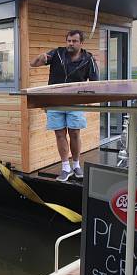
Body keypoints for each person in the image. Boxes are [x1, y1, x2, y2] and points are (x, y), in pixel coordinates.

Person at [30, 29, 99, 182]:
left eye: (74, 41)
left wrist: (88, 99)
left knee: (74, 133)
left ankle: (76, 165)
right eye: (68, 40)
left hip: (75, 101)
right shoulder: (57, 53)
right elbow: (33, 64)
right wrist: (39, 58)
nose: (70, 44)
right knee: (60, 134)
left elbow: (95, 82)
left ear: (81, 43)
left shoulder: (88, 59)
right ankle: (65, 167)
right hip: (54, 100)